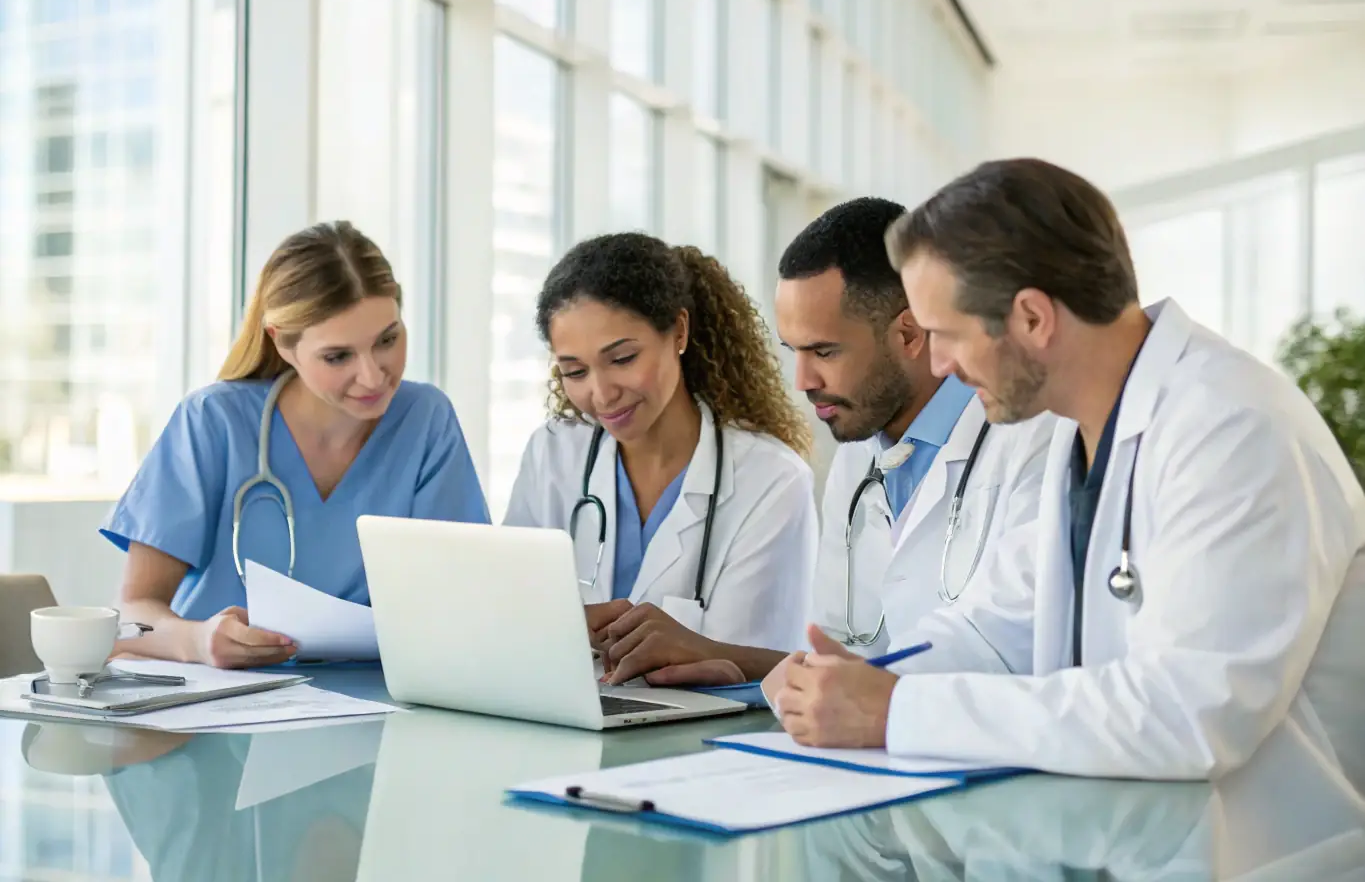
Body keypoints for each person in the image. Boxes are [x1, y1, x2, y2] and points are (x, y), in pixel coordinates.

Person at [772, 158, 1365, 791]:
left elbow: (1189, 714)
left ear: (1032, 318)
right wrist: (857, 679)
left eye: (946, 334)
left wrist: (895, 710)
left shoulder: (1233, 429)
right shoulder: (1081, 435)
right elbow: (994, 624)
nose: (938, 364)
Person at [593, 199, 1053, 686]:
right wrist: (731, 667)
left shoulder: (1031, 439)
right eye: (794, 351)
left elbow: (999, 653)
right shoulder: (859, 457)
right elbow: (842, 658)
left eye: (824, 351)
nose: (803, 380)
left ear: (910, 333)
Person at [104, 221, 490, 668]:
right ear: (282, 342)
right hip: (221, 713)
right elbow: (132, 616)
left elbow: (459, 599)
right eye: (338, 356)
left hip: (375, 708)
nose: (373, 375)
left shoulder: (425, 419)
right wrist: (196, 641)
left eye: (387, 340)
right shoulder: (213, 422)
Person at [504, 232, 817, 653]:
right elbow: (507, 618)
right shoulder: (553, 455)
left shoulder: (771, 480)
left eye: (622, 359)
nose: (601, 394)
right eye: (575, 372)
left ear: (679, 332)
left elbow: (766, 664)